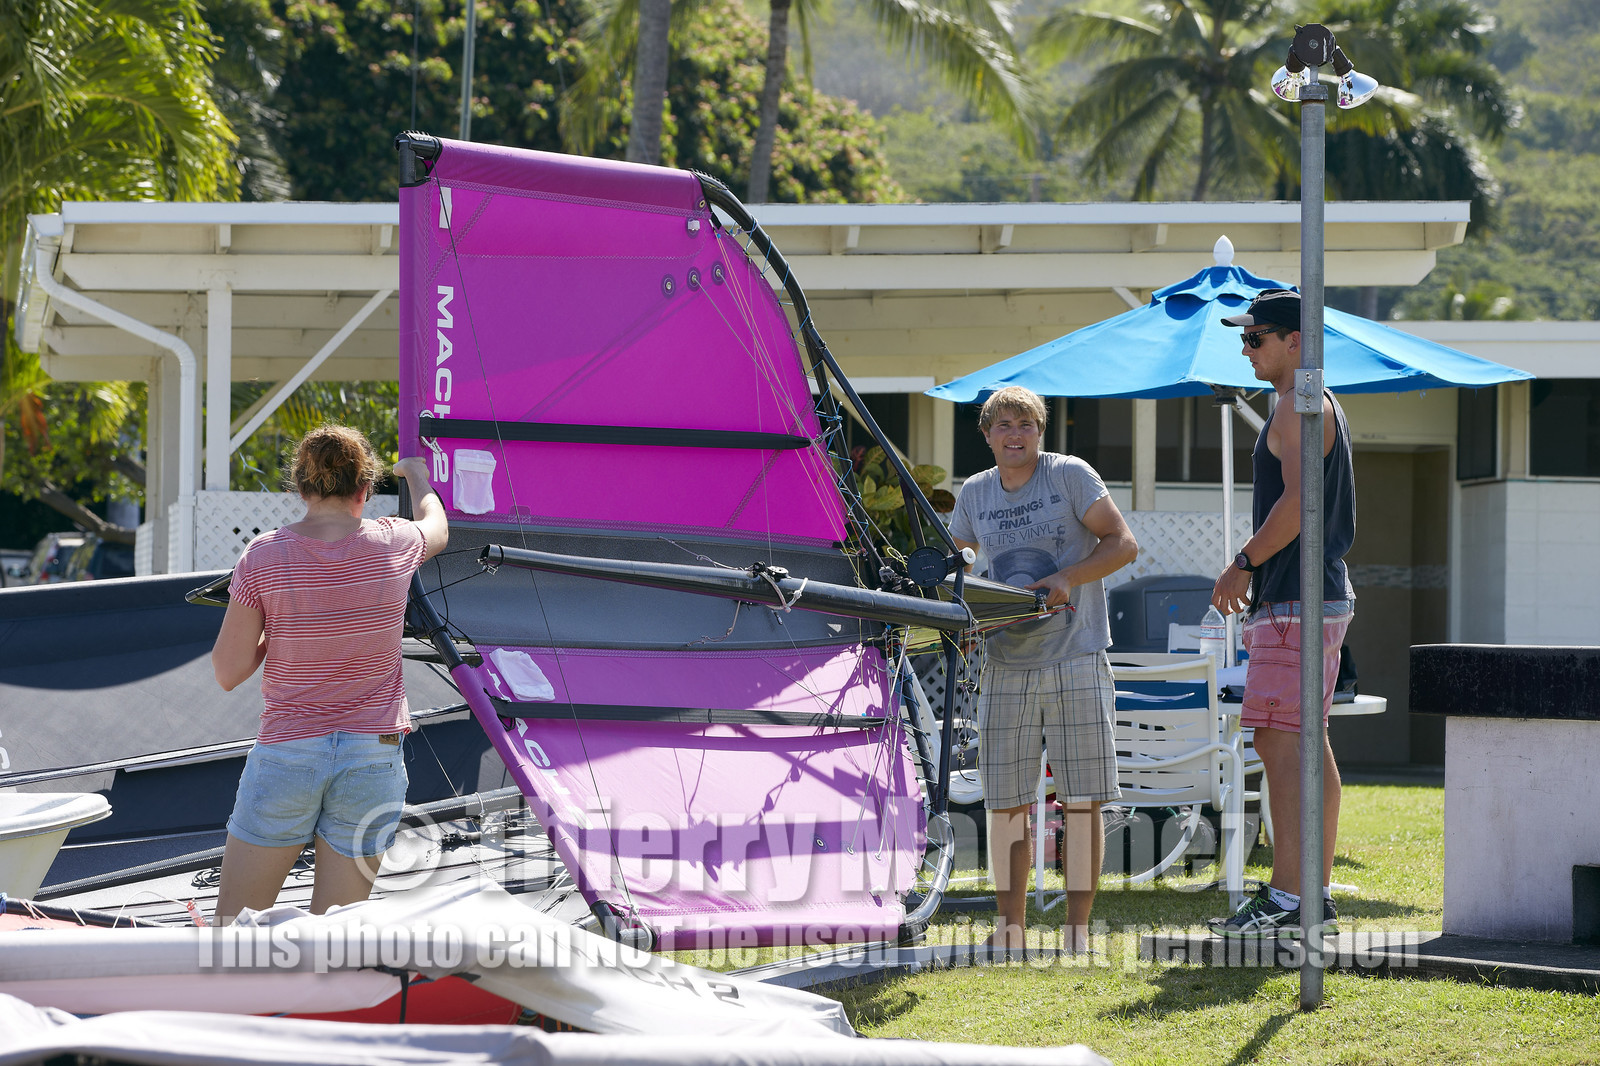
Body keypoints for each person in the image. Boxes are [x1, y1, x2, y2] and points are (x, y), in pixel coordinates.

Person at [211, 426, 448, 925]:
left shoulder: (264, 556)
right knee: (333, 944)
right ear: (366, 490)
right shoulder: (395, 541)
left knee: (233, 935)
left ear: (300, 488)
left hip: (289, 751)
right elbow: (437, 526)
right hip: (373, 755)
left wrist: (279, 631)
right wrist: (418, 476)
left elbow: (228, 672)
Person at [950, 385, 1138, 953]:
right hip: (1004, 663)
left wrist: (1068, 578)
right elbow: (956, 561)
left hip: (1075, 655)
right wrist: (966, 610)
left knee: (1081, 800)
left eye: (1025, 425)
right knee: (1005, 802)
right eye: (1003, 426)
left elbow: (1123, 543)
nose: (1014, 435)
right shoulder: (975, 493)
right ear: (986, 436)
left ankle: (1077, 932)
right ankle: (1011, 931)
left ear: (1041, 432)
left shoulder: (1068, 476)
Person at [1208, 288, 1356, 939]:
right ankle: (1309, 896)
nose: (1246, 348)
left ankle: (1289, 900)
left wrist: (1242, 562)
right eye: (1244, 338)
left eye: (1256, 336)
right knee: (1303, 744)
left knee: (1278, 739)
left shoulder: (1300, 404)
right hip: (1311, 595)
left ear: (1295, 339)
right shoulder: (1304, 401)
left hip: (1297, 597)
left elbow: (1299, 506)